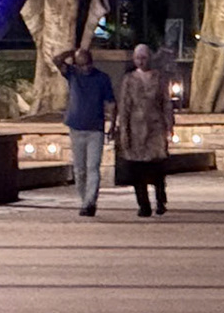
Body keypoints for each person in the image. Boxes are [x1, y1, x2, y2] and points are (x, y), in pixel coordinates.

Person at [115, 42, 176, 216]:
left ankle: (160, 199)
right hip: (136, 130)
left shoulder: (159, 78)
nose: (140, 61)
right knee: (137, 170)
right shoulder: (129, 80)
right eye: (137, 58)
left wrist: (169, 125)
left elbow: (166, 103)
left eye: (143, 58)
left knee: (157, 168)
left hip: (155, 129)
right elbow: (124, 106)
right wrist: (123, 130)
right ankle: (143, 204)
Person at [56, 47, 116, 216]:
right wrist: (71, 52)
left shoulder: (102, 78)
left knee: (93, 167)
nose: (86, 68)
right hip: (76, 126)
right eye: (82, 65)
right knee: (79, 169)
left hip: (95, 128)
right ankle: (84, 200)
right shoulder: (72, 74)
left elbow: (111, 102)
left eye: (88, 64)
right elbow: (56, 60)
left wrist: (112, 124)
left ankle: (90, 201)